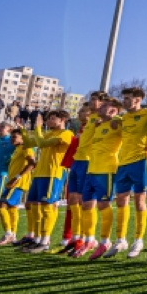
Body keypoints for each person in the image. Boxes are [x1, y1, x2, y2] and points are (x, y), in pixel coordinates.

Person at [105, 87, 147, 258]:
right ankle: (121, 239)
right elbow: (116, 117)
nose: (125, 101)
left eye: (128, 98)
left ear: (138, 100)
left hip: (141, 161)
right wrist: (115, 117)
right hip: (123, 163)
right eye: (124, 98)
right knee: (121, 200)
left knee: (139, 201)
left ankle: (139, 239)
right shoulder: (124, 117)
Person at [20, 111, 74, 253]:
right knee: (33, 206)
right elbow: (27, 143)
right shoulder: (48, 133)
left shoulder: (66, 134)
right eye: (48, 118)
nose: (48, 121)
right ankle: (37, 239)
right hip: (39, 174)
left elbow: (42, 144)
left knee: (47, 206)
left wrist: (37, 128)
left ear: (62, 119)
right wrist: (23, 130)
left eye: (52, 118)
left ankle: (45, 241)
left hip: (53, 174)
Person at [76, 98, 123, 259]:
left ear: (114, 110)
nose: (100, 107)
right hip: (91, 170)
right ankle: (90, 240)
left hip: (107, 170)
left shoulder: (117, 123)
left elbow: (132, 126)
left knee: (103, 204)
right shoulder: (98, 125)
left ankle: (105, 241)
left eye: (105, 106)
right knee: (86, 205)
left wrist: (117, 117)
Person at [61, 96, 104, 256]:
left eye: (83, 110)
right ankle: (77, 237)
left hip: (88, 162)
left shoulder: (100, 120)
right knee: (72, 201)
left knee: (85, 202)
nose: (79, 112)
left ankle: (88, 238)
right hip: (76, 162)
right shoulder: (84, 126)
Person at [0, 129, 35, 245]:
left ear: (22, 138)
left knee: (1, 205)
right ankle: (13, 234)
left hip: (17, 183)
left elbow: (32, 163)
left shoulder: (26, 147)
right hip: (14, 182)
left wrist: (17, 177)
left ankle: (9, 233)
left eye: (14, 137)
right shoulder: (17, 149)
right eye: (11, 137)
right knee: (12, 207)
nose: (11, 139)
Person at [0, 122, 13, 200]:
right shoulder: (0, 140)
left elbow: (32, 148)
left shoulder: (12, 140)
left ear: (10, 129)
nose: (0, 128)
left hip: (3, 173)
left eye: (2, 127)